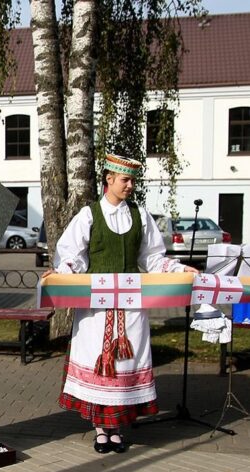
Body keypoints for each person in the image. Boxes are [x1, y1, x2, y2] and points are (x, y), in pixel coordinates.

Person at [49, 154, 197, 454]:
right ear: (109, 179)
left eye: (132, 181)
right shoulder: (89, 215)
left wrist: (179, 269)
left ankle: (117, 429)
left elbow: (153, 258)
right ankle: (101, 429)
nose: (130, 186)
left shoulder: (140, 216)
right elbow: (72, 255)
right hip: (96, 307)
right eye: (125, 180)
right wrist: (63, 273)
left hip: (130, 304)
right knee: (99, 362)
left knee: (124, 363)